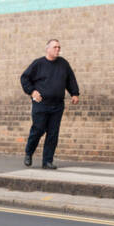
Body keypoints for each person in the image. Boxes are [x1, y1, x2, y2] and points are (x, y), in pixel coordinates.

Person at [19, 39, 79, 170]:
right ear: (48, 49)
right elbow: (24, 78)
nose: (57, 49)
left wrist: (74, 93)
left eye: (59, 47)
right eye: (55, 47)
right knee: (38, 129)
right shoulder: (38, 64)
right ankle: (29, 152)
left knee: (53, 133)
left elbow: (70, 79)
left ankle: (47, 161)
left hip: (57, 105)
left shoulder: (63, 64)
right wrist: (32, 92)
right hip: (41, 103)